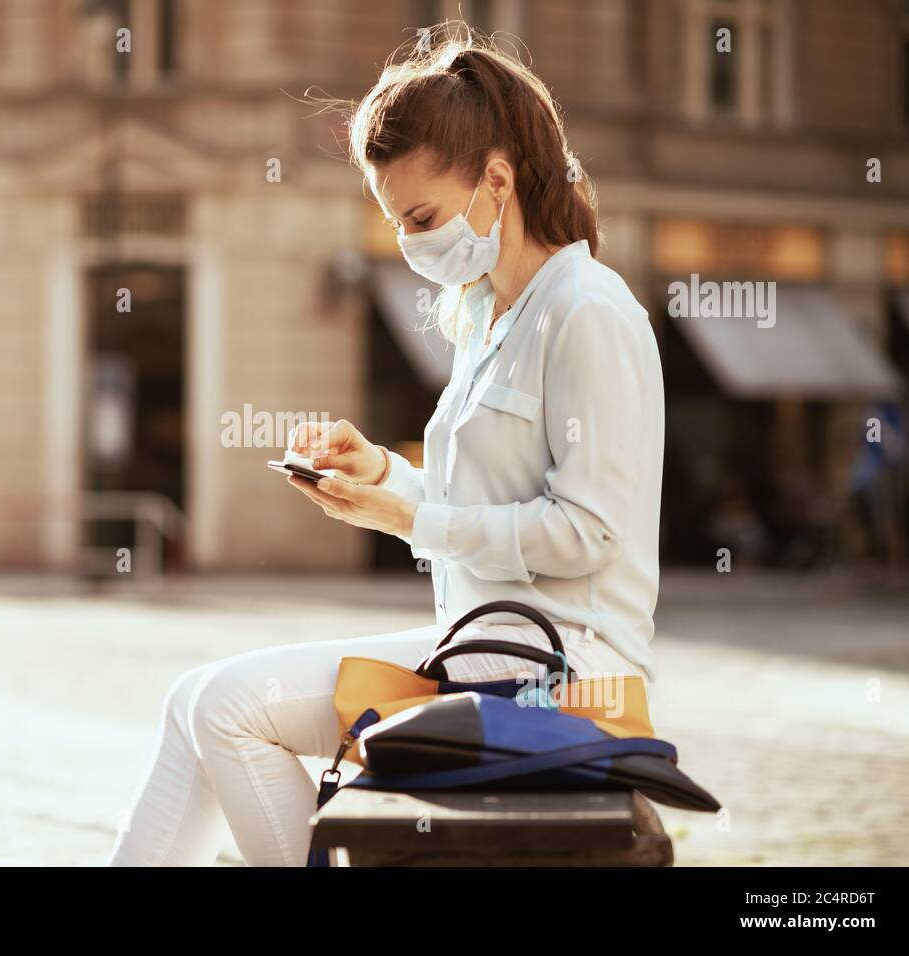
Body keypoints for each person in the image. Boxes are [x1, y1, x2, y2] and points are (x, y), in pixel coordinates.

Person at [108, 26, 665, 867]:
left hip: (563, 672)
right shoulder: (486, 317)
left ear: (498, 180)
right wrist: (382, 472)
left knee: (226, 706)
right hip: (483, 647)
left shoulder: (586, 311)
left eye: (422, 216)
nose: (410, 243)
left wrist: (409, 517)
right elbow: (475, 497)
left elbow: (588, 531)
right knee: (194, 699)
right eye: (395, 221)